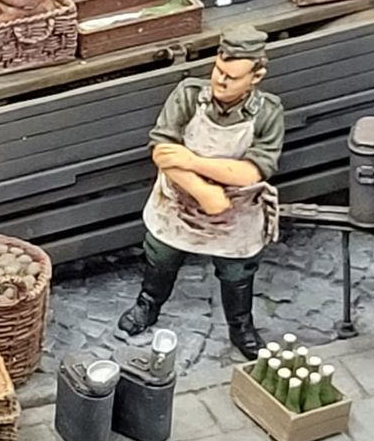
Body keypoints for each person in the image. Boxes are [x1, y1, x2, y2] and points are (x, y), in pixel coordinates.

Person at [116, 25, 284, 359]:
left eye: (232, 77)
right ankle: (148, 304)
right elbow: (162, 152)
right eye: (218, 70)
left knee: (237, 271)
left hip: (235, 214)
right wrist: (202, 191)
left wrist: (192, 160)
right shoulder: (189, 95)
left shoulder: (268, 113)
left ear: (256, 76)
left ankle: (241, 326)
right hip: (177, 205)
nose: (221, 81)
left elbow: (252, 171)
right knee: (161, 257)